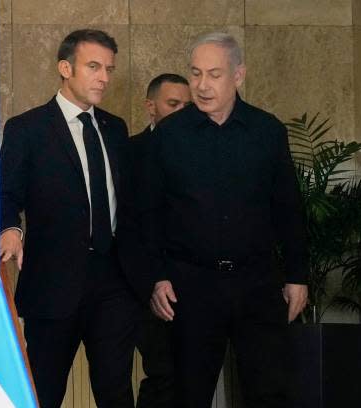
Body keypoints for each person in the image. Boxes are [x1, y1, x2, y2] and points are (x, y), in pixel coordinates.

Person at [135, 32, 309, 408]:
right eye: (195, 73)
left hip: (257, 283)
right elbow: (148, 212)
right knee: (187, 392)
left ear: (239, 75)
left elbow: (288, 208)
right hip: (190, 285)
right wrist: (156, 276)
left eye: (214, 74)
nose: (201, 85)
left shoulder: (267, 131)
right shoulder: (169, 135)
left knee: (269, 390)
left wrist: (297, 275)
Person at [0, 29, 138, 408]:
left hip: (113, 281)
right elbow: (5, 193)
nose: (104, 78)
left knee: (116, 389)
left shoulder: (115, 128)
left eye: (109, 68)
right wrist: (10, 229)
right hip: (52, 283)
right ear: (65, 68)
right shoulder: (27, 129)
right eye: (93, 67)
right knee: (44, 391)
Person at [131, 73, 191, 408]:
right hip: (149, 285)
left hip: (197, 283)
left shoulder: (204, 152)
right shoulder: (130, 151)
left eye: (188, 105)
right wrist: (152, 279)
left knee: (190, 375)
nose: (183, 111)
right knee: (162, 373)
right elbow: (130, 224)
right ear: (150, 107)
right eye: (173, 104)